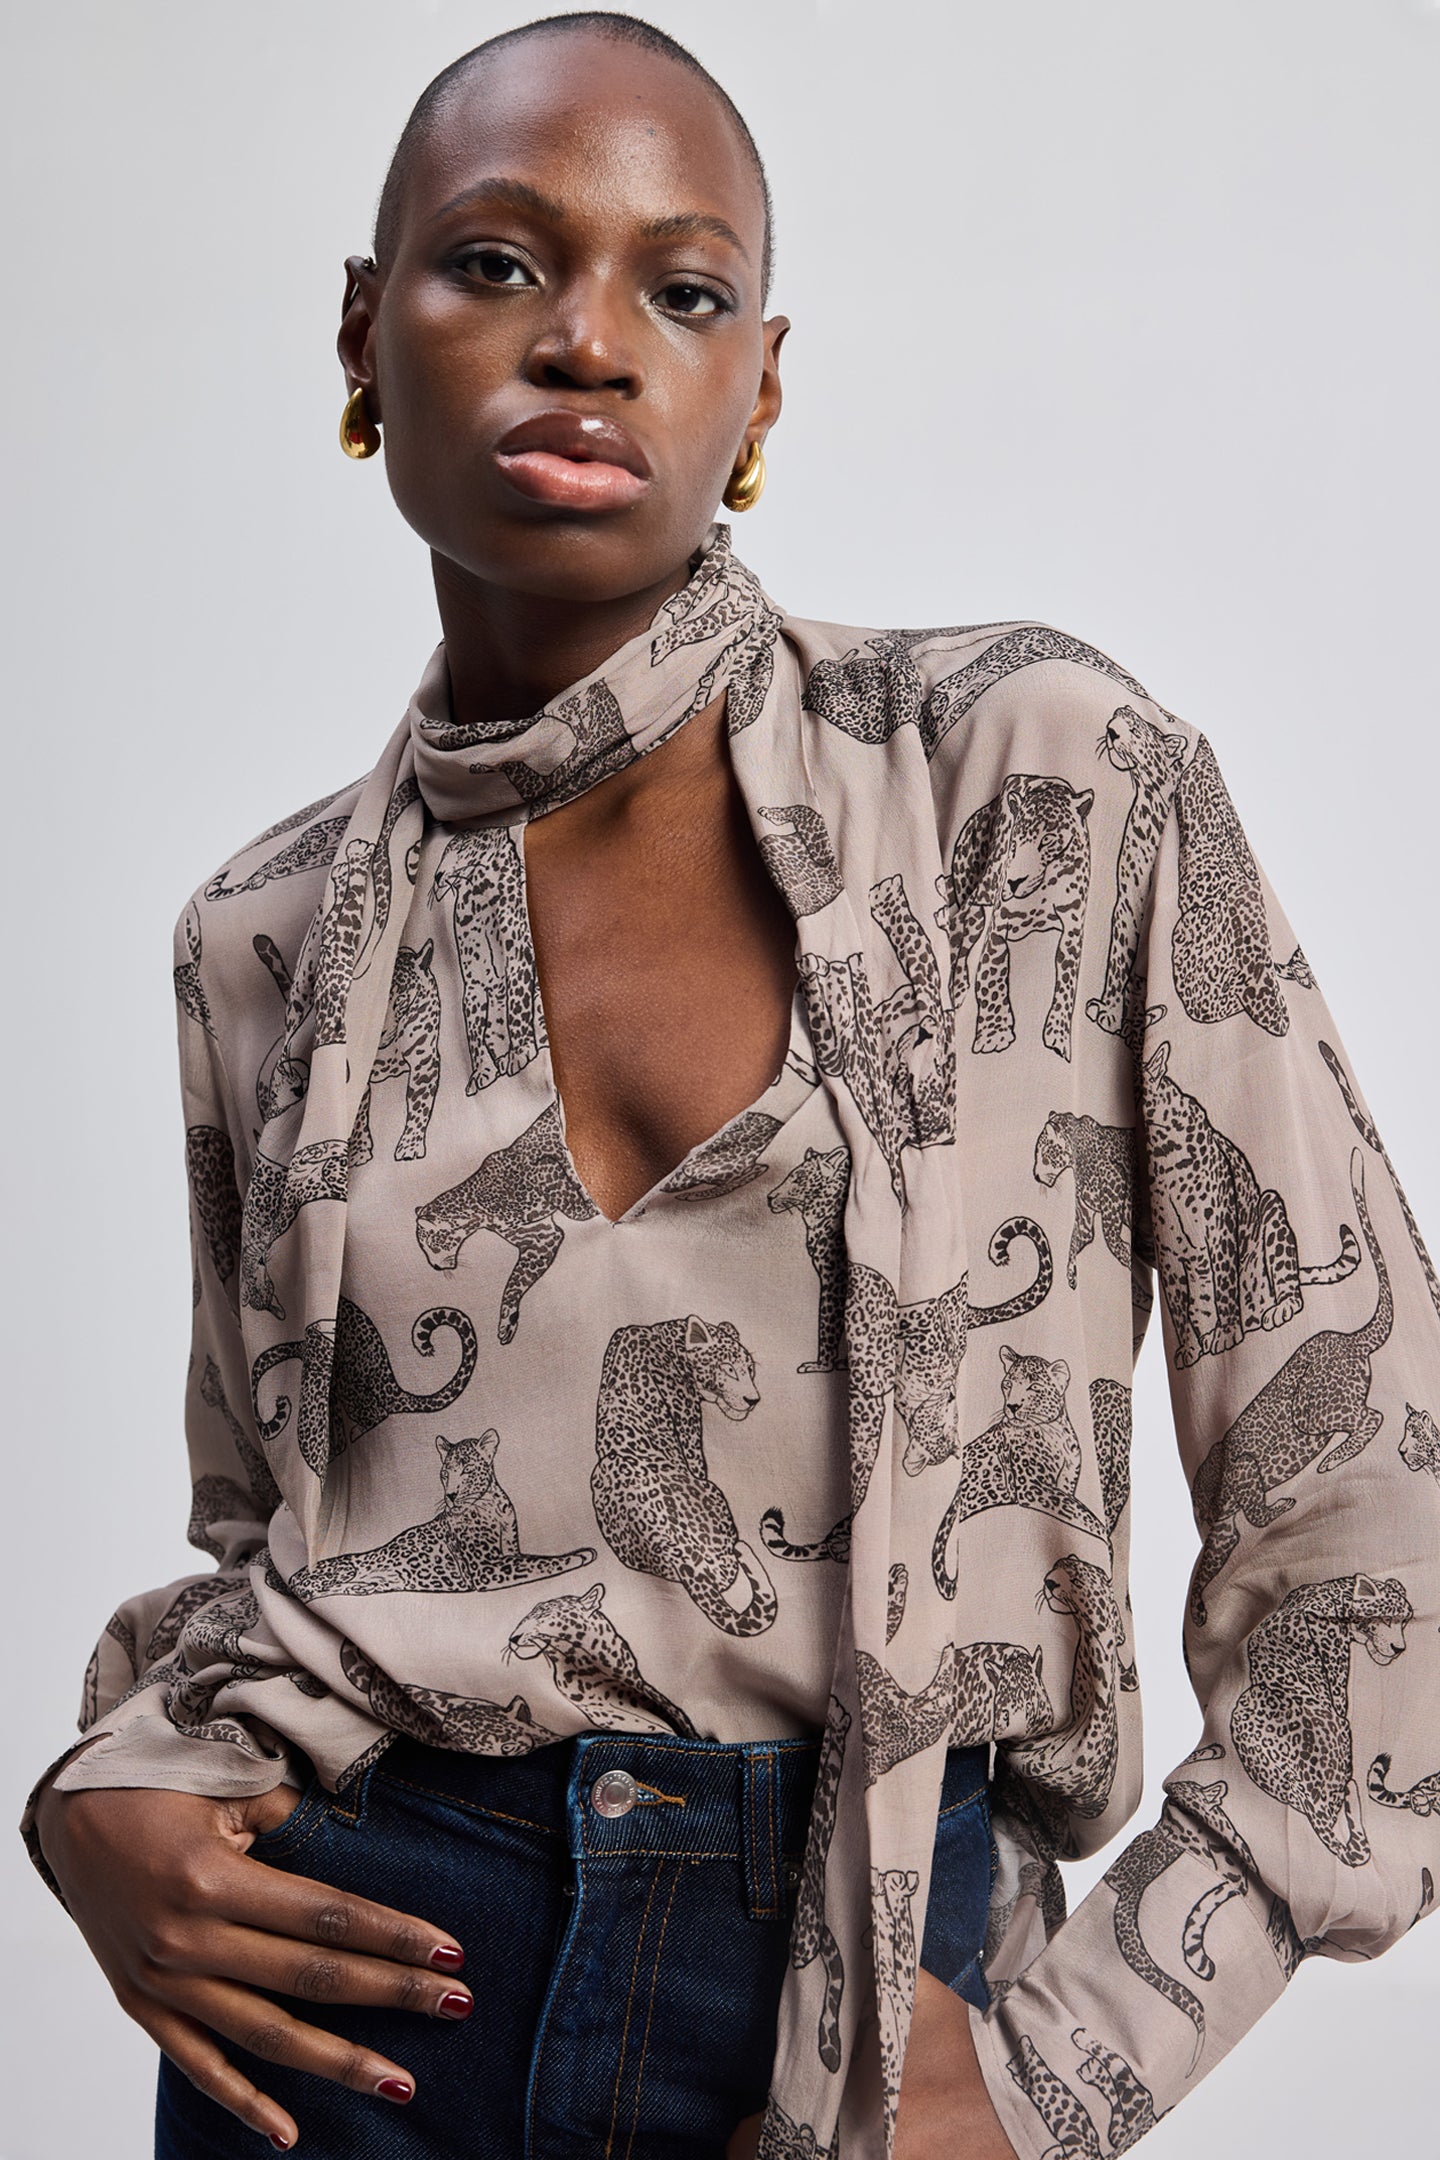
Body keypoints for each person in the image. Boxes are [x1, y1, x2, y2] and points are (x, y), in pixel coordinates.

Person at [22, 13, 1440, 2160]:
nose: (586, 342)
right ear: (363, 332)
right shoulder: (264, 935)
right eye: (495, 262)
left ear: (756, 390)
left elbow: (1371, 1477)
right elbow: (276, 1549)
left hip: (863, 1989)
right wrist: (105, 1797)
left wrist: (1084, 2053)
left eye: (681, 292)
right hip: (349, 2010)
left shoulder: (1044, 785)